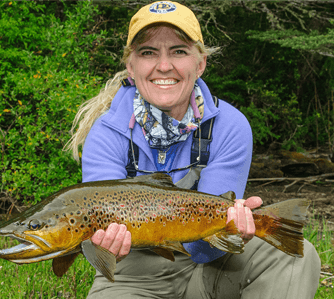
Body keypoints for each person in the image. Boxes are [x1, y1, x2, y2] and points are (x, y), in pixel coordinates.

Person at [66, 1, 321, 298]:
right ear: (131, 67)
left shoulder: (230, 126)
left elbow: (202, 251)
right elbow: (99, 240)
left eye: (179, 51)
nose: (164, 65)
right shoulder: (106, 133)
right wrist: (103, 246)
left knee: (292, 256)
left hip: (211, 269)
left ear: (200, 64)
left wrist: (230, 226)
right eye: (148, 52)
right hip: (133, 280)